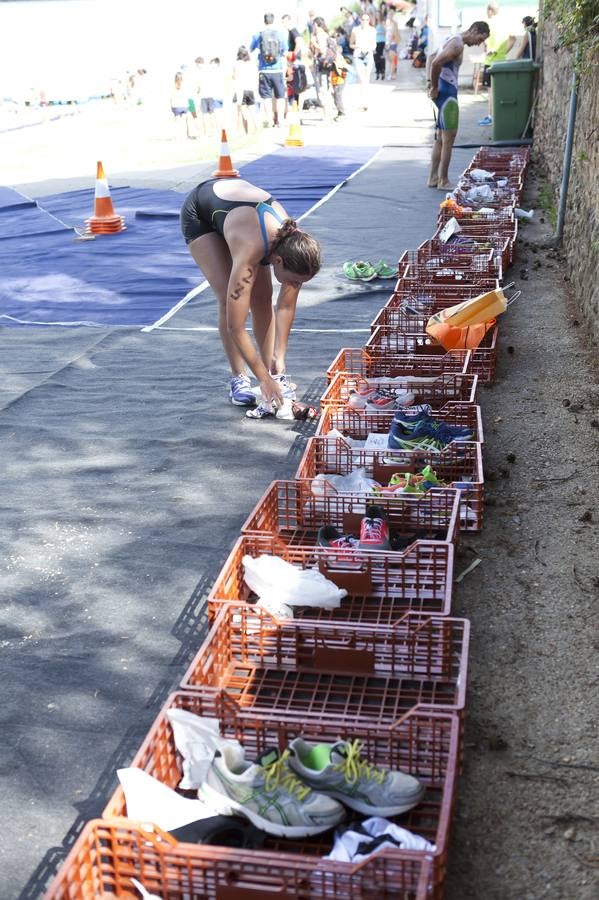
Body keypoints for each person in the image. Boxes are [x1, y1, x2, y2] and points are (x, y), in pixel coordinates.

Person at [180, 177, 321, 411]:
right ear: (278, 260)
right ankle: (239, 378)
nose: (296, 286)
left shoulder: (296, 245)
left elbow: (284, 307)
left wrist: (279, 359)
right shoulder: (251, 250)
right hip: (202, 214)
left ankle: (272, 373)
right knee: (229, 299)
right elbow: (236, 326)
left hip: (245, 218)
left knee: (262, 300)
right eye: (295, 281)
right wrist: (262, 380)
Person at [427, 21, 490, 190]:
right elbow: (436, 63)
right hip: (448, 95)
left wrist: (431, 84)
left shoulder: (451, 38)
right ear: (475, 30)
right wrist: (433, 86)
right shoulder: (457, 44)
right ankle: (443, 181)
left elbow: (431, 57)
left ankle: (433, 178)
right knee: (448, 139)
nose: (479, 43)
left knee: (441, 138)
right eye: (480, 38)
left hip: (443, 93)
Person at [250, 13, 288, 128]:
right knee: (280, 96)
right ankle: (280, 120)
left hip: (264, 70)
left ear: (264, 21)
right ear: (273, 21)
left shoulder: (258, 35)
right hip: (277, 70)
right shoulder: (280, 34)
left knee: (266, 97)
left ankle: (269, 120)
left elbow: (251, 49)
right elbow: (285, 52)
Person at [350, 12, 377, 110]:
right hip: (358, 56)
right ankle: (363, 102)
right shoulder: (355, 30)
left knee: (367, 79)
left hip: (368, 55)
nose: (365, 21)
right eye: (363, 19)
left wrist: (370, 48)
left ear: (369, 21)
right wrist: (358, 46)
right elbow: (351, 44)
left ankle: (366, 102)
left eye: (367, 19)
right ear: (360, 20)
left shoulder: (373, 30)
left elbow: (374, 44)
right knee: (361, 79)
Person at [233, 46, 259, 135]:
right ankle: (257, 129)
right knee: (253, 111)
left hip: (241, 90)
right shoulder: (251, 64)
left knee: (244, 112)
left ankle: (246, 132)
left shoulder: (237, 64)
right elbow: (256, 76)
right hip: (250, 89)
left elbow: (234, 76)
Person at [374, 12, 386, 80]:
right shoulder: (375, 23)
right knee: (376, 57)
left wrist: (378, 33)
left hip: (381, 41)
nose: (377, 16)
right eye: (376, 15)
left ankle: (383, 72)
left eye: (378, 15)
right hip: (376, 42)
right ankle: (378, 72)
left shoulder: (382, 23)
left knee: (381, 57)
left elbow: (385, 31)